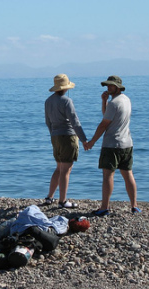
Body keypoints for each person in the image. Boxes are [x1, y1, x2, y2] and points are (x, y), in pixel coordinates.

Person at [86, 75, 141, 216]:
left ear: (117, 87)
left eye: (110, 86)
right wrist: (104, 101)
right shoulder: (126, 100)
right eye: (107, 86)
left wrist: (92, 141)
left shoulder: (114, 103)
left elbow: (104, 124)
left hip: (112, 144)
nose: (108, 88)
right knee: (127, 173)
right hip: (127, 143)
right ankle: (134, 205)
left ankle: (104, 207)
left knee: (107, 175)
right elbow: (108, 116)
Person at [45, 74, 88, 208]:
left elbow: (48, 122)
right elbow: (74, 122)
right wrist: (84, 139)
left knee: (59, 168)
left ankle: (49, 197)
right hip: (68, 136)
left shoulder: (48, 101)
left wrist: (53, 134)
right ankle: (62, 201)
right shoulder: (66, 101)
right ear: (66, 88)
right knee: (66, 170)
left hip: (55, 136)